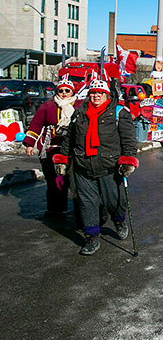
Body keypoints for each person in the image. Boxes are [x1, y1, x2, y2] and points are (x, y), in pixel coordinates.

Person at [53, 79, 138, 256]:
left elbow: (129, 140)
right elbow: (70, 139)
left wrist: (128, 160)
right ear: (88, 94)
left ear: (107, 94)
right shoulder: (80, 113)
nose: (96, 95)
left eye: (100, 92)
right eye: (93, 92)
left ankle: (119, 220)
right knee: (87, 204)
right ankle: (91, 238)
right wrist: (63, 159)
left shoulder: (119, 113)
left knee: (114, 201)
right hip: (82, 167)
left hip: (109, 167)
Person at [23, 77, 82, 218]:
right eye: (60, 90)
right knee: (55, 181)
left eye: (67, 90)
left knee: (76, 182)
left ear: (72, 91)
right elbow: (36, 125)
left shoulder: (80, 105)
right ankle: (56, 210)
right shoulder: (48, 106)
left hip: (73, 150)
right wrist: (30, 144)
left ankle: (81, 213)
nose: (63, 93)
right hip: (51, 149)